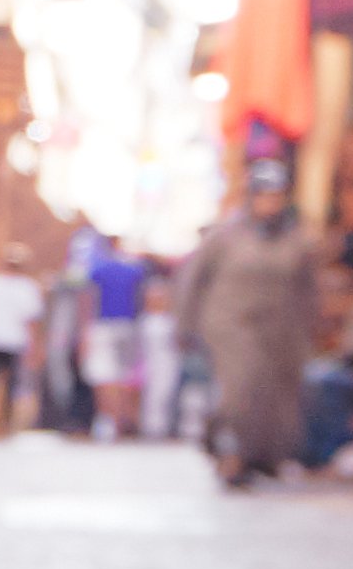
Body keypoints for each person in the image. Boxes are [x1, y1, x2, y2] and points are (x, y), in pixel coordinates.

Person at [172, 167, 327, 484]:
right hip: (232, 324)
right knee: (240, 390)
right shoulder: (226, 236)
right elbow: (193, 280)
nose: (270, 204)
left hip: (281, 330)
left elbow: (307, 289)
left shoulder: (295, 239)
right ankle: (231, 453)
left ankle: (257, 457)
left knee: (273, 397)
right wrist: (185, 324)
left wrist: (313, 327)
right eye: (265, 196)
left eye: (276, 197)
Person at [80, 230, 154, 437]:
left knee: (104, 376)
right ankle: (123, 420)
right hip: (129, 325)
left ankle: (108, 420)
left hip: (104, 325)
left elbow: (88, 300)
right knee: (124, 376)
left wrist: (85, 331)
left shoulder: (98, 269)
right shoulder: (133, 269)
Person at [0, 248, 47, 438]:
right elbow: (31, 321)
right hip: (9, 340)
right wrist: (34, 346)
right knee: (2, 381)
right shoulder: (24, 287)